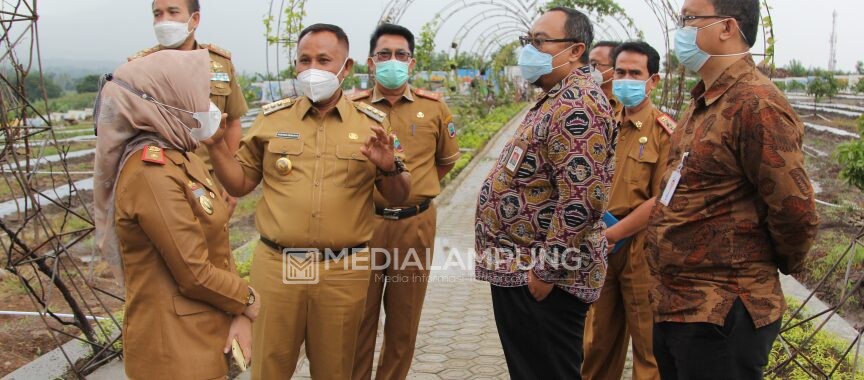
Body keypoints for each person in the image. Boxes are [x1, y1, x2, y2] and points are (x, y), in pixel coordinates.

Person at [203, 23, 412, 380]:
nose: (312, 68)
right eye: (304, 60)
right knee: (270, 366)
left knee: (336, 369)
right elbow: (239, 184)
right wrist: (216, 146)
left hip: (342, 270)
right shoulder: (272, 120)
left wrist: (390, 168)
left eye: (324, 60)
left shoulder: (373, 125)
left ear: (345, 69)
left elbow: (398, 196)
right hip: (278, 267)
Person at [647, 0, 819, 378]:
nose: (682, 30)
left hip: (723, 311)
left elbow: (795, 211)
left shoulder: (756, 103)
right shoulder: (702, 103)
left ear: (727, 27)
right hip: (678, 305)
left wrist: (760, 265)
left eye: (689, 19)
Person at [93, 49, 260, 379]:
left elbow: (214, 248)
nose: (209, 105)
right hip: (173, 350)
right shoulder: (150, 172)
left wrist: (239, 313)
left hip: (202, 332)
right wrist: (249, 299)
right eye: (198, 94)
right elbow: (194, 272)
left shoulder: (180, 157)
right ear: (168, 100)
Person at [474, 7, 617, 379]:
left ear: (574, 51)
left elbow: (582, 198)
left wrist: (548, 270)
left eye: (539, 42)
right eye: (528, 41)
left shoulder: (578, 103)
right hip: (524, 268)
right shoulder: (559, 96)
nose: (529, 51)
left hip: (544, 277)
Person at [351, 23, 461, 380]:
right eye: (384, 54)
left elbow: (445, 161)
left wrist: (416, 190)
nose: (392, 61)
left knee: (403, 321)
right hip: (364, 225)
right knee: (358, 320)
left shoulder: (434, 108)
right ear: (371, 62)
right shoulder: (351, 108)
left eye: (401, 55)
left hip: (415, 226)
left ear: (411, 63)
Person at [582, 41, 671, 380]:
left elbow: (663, 198)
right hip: (599, 245)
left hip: (639, 247)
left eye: (636, 73)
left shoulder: (664, 132)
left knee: (648, 349)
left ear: (653, 81)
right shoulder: (601, 124)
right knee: (597, 342)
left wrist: (615, 233)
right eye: (620, 72)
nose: (626, 79)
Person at [130, 0, 249, 215]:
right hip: (158, 178)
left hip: (210, 179)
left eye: (173, 12)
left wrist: (231, 183)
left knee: (215, 245)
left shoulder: (219, 64)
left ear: (194, 19)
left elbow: (232, 123)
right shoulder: (137, 68)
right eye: (158, 14)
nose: (164, 20)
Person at [588, 41, 622, 118]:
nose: (588, 69)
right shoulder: (577, 100)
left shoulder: (627, 108)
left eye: (594, 64)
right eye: (587, 64)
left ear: (615, 70)